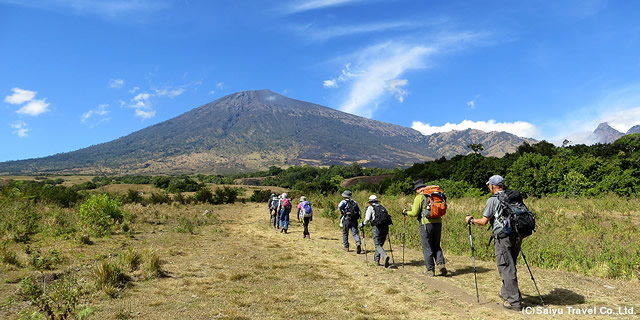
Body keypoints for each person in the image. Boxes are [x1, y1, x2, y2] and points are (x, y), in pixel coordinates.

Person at [465, 175, 523, 311]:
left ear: (492, 186)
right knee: (510, 264)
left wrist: (471, 220)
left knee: (506, 267)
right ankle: (506, 293)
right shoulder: (511, 196)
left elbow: (484, 221)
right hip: (517, 235)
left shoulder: (493, 200)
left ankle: (514, 302)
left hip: (503, 237)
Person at [404, 180, 447, 276]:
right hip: (438, 222)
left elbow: (414, 213)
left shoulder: (419, 197)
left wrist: (406, 212)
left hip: (426, 224)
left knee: (427, 247)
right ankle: (441, 264)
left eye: (416, 189)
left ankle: (430, 270)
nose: (416, 191)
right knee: (436, 245)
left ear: (419, 189)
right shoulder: (434, 194)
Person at [359, 195, 391, 268]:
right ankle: (376, 260)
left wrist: (363, 224)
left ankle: (384, 255)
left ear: (370, 202)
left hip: (377, 227)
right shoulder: (382, 207)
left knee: (377, 244)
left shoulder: (370, 207)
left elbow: (367, 219)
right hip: (385, 227)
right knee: (380, 244)